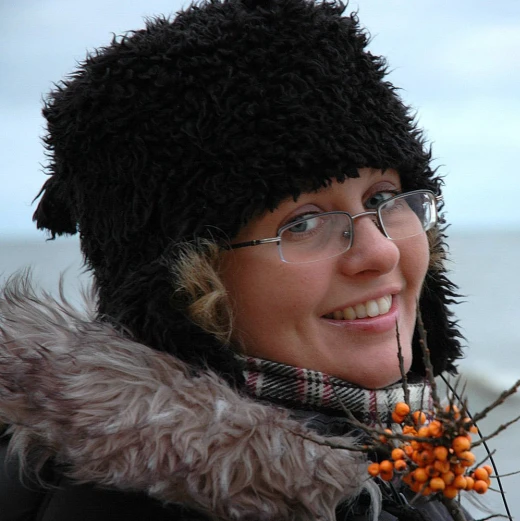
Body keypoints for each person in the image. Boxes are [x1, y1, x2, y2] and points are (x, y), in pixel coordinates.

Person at [0, 0, 468, 520]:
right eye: (304, 223)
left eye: (383, 199)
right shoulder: (146, 506)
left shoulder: (381, 458)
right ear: (188, 286)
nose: (379, 252)